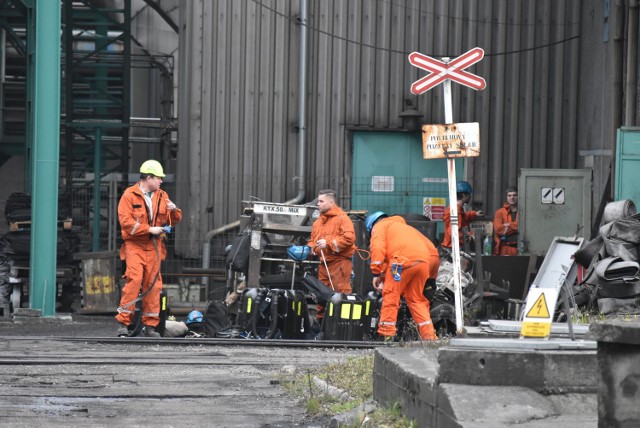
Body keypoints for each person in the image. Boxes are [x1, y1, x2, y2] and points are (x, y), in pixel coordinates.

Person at [115, 160, 182, 337]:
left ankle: (150, 327)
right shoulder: (129, 196)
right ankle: (123, 324)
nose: (161, 181)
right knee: (134, 280)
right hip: (135, 245)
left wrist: (174, 210)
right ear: (149, 178)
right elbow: (126, 222)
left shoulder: (162, 196)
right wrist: (149, 229)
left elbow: (173, 219)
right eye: (159, 178)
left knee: (153, 286)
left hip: (154, 247)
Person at [366, 211, 440, 341]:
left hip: (401, 262)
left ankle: (386, 335)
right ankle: (429, 337)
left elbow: (377, 248)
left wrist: (376, 273)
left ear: (371, 226)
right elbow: (433, 252)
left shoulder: (379, 226)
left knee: (391, 296)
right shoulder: (405, 228)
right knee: (417, 300)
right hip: (423, 263)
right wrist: (432, 277)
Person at [308, 189, 356, 294]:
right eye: (318, 201)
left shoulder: (342, 219)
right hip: (323, 265)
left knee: (339, 297)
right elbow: (313, 240)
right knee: (322, 297)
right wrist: (310, 249)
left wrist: (328, 243)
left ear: (331, 202)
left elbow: (349, 239)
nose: (318, 204)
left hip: (339, 265)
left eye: (321, 201)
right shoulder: (318, 222)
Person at [441, 180, 484, 250]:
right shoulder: (455, 211)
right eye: (469, 194)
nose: (470, 196)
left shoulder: (457, 209)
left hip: (454, 246)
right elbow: (454, 232)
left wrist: (474, 214)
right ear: (464, 195)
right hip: (454, 248)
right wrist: (470, 235)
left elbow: (463, 218)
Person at [493, 186, 519, 256]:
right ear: (507, 197)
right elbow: (498, 230)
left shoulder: (523, 212)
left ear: (518, 196)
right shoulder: (500, 212)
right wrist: (516, 227)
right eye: (509, 195)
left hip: (520, 249)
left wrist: (508, 225)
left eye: (515, 195)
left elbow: (524, 227)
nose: (512, 197)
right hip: (504, 249)